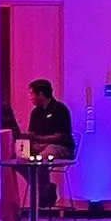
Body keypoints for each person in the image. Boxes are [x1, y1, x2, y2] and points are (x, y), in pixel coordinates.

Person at [27, 77, 74, 212]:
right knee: (24, 159)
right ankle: (45, 187)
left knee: (43, 157)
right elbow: (32, 134)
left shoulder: (60, 109)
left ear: (40, 94)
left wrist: (41, 140)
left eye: (31, 94)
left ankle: (44, 192)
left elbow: (62, 136)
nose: (30, 97)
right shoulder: (35, 112)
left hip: (61, 148)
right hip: (41, 147)